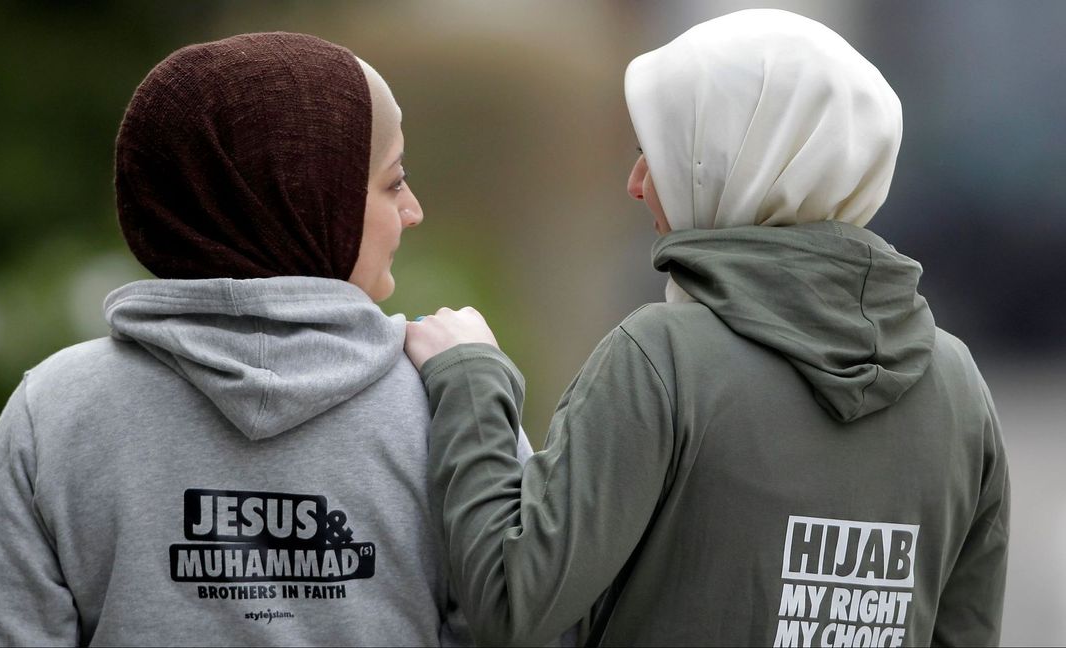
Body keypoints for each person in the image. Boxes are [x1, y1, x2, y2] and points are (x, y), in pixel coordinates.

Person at [405, 9, 1009, 647]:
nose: (636, 184)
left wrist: (471, 381)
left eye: (659, 151)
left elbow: (512, 603)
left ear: (738, 160)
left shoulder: (662, 360)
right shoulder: (957, 385)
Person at [0, 32, 530, 646]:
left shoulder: (57, 410)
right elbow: (530, 623)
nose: (413, 211)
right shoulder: (452, 406)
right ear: (307, 198)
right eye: (393, 181)